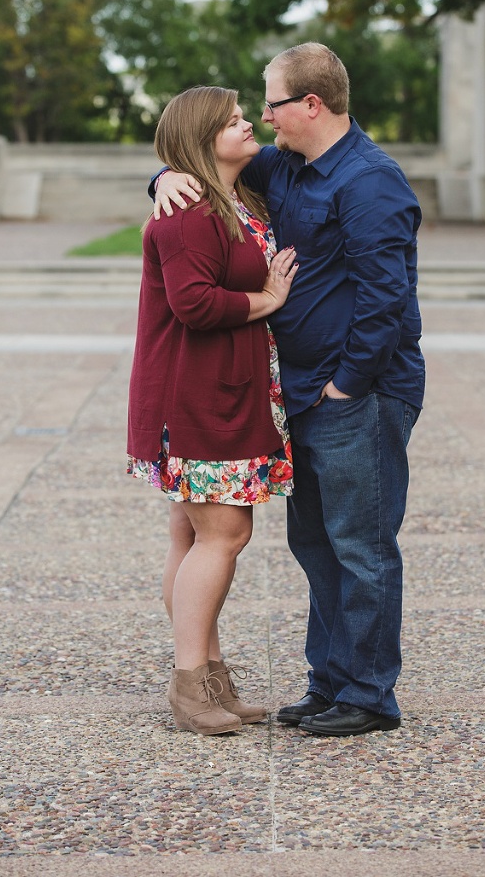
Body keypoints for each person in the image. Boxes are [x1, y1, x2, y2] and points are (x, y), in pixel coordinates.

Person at [153, 43, 425, 737]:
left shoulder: (371, 182)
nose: (262, 115)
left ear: (310, 104)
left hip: (353, 394)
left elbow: (385, 298)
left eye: (270, 102)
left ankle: (367, 694)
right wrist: (161, 176)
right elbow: (199, 156)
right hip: (300, 394)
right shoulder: (286, 165)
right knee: (317, 545)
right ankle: (329, 681)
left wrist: (344, 384)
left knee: (361, 545)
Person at [127, 85, 298, 737]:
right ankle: (189, 683)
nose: (248, 120)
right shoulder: (189, 212)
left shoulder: (227, 197)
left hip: (219, 391)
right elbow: (195, 304)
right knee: (224, 535)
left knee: (193, 536)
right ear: (203, 141)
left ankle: (210, 673)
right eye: (232, 120)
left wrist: (164, 172)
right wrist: (269, 298)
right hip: (196, 399)